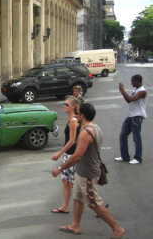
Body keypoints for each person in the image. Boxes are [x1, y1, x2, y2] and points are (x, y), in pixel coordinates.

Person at [51, 103, 125, 238]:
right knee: (78, 197)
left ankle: (116, 228)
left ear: (83, 115)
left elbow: (77, 156)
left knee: (93, 202)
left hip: (88, 174)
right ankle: (75, 225)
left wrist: (60, 168)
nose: (77, 116)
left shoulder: (86, 132)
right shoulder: (94, 127)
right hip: (82, 172)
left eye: (79, 114)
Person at [51, 97, 80, 214]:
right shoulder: (71, 119)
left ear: (73, 107)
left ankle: (98, 206)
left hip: (72, 154)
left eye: (66, 104)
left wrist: (59, 153)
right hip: (68, 154)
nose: (64, 106)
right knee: (66, 181)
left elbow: (72, 140)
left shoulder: (73, 120)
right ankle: (65, 206)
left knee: (74, 183)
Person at [115, 74, 147, 164]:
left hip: (137, 116)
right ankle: (124, 156)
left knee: (136, 138)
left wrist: (122, 91)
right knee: (123, 135)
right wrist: (123, 92)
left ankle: (138, 158)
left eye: (132, 81)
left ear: (137, 81)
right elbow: (128, 100)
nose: (131, 83)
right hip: (131, 115)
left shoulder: (142, 91)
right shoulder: (135, 89)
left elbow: (130, 99)